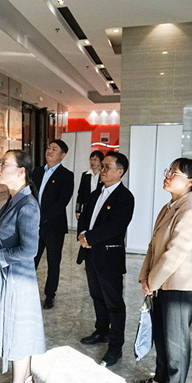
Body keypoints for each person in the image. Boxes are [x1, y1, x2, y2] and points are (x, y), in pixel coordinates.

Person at [133, 158, 192, 383]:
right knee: (161, 336)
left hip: (178, 288)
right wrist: (145, 277)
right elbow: (154, 246)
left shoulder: (189, 212)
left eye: (174, 173)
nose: (168, 175)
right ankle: (160, 379)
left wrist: (152, 282)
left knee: (176, 343)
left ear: (190, 182)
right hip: (160, 283)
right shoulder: (169, 207)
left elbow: (174, 254)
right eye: (169, 171)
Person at [0, 150, 45, 383]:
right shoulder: (13, 198)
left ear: (21, 171)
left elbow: (30, 250)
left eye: (3, 164)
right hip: (8, 274)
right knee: (18, 329)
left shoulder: (27, 205)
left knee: (19, 333)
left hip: (18, 278)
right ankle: (26, 379)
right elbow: (10, 233)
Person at [77, 151, 135, 367]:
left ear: (120, 172)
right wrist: (82, 234)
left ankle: (115, 346)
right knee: (97, 296)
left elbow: (115, 226)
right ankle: (101, 331)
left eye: (107, 167)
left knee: (114, 302)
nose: (102, 170)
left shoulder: (125, 197)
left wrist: (89, 238)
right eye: (102, 166)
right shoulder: (96, 193)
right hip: (90, 254)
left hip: (109, 256)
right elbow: (84, 216)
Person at [32, 139, 74, 309]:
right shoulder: (36, 172)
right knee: (31, 259)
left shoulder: (67, 175)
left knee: (53, 262)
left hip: (54, 226)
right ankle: (27, 291)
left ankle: (50, 295)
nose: (49, 151)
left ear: (62, 155)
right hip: (34, 225)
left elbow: (62, 202)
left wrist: (41, 217)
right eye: (49, 147)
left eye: (54, 149)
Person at [75, 150, 104, 219]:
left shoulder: (104, 175)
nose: (92, 162)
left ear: (101, 161)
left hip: (99, 207)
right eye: (91, 160)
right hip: (87, 207)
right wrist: (77, 210)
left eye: (95, 160)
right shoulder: (85, 175)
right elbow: (80, 194)